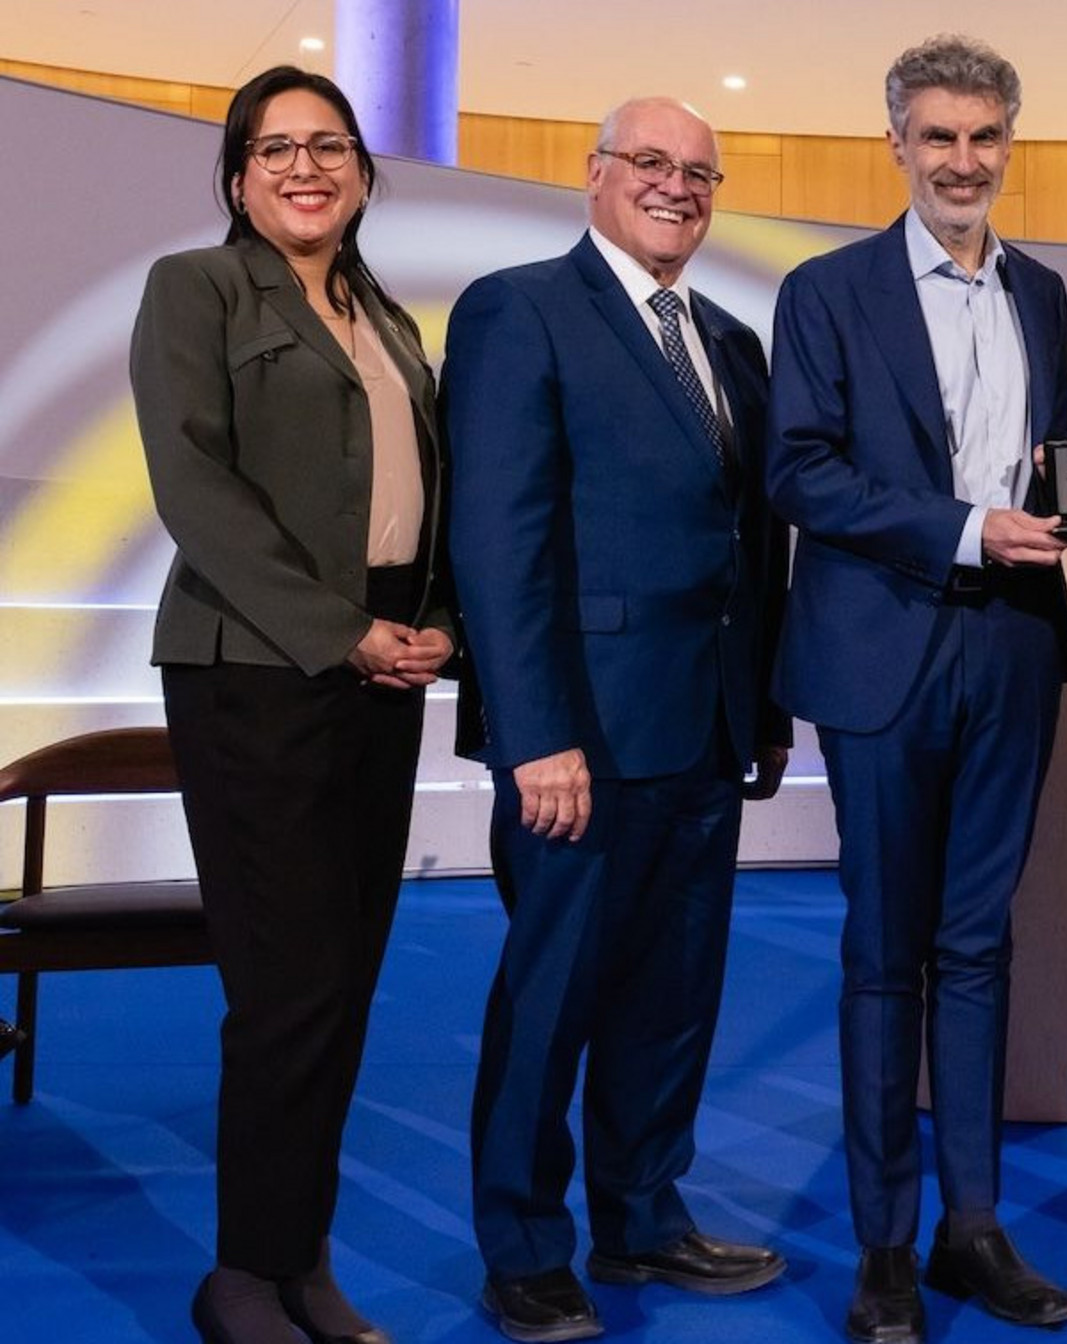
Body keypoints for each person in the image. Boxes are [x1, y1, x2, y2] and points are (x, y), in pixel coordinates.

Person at [444, 95, 793, 1343]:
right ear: (593, 173)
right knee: (552, 998)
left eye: (699, 171)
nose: (676, 187)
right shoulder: (516, 307)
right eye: (650, 163)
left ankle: (643, 1214)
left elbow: (755, 543)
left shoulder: (732, 342)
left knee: (670, 993)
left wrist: (758, 713)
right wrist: (535, 732)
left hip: (701, 732)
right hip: (576, 739)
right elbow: (498, 538)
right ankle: (524, 1247)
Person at [765, 33, 1067, 1344]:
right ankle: (885, 1250)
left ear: (1011, 143)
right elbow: (800, 470)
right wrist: (966, 529)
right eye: (939, 137)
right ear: (896, 143)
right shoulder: (827, 289)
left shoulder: (1045, 292)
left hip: (1011, 649)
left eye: (985, 137)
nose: (964, 160)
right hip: (881, 650)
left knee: (977, 945)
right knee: (883, 953)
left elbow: (1044, 463)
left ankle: (972, 1226)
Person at [130, 64, 453, 1344]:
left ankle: (303, 1261)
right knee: (285, 986)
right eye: (275, 150)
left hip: (380, 666)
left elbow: (427, 497)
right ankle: (243, 1280)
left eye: (329, 146)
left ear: (366, 173)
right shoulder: (195, 289)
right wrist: (342, 632)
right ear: (237, 176)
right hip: (257, 666)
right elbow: (194, 489)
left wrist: (437, 629)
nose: (304, 167)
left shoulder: (389, 317)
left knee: (347, 977)